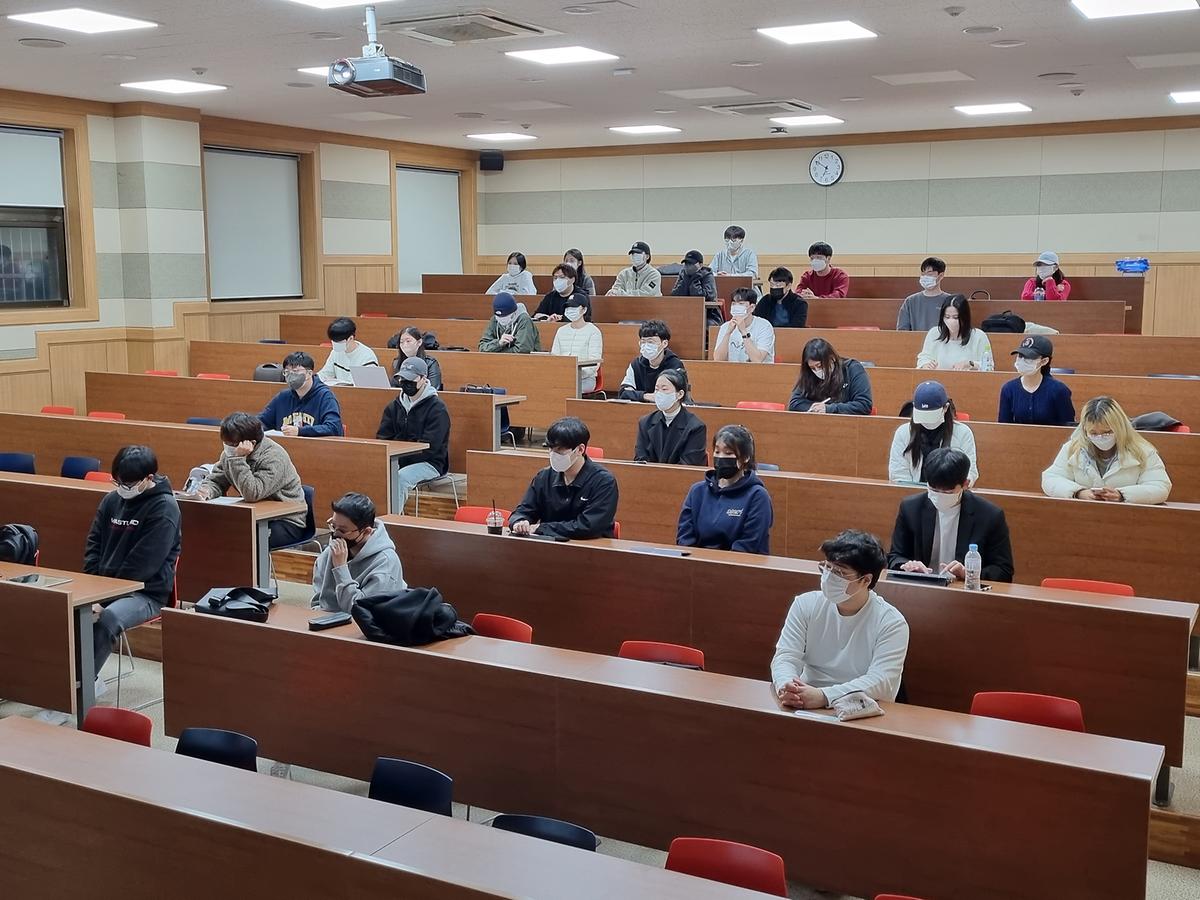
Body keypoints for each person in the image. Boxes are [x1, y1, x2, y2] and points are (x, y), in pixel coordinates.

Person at [771, 530, 909, 709]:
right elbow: (786, 656)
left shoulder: (892, 623)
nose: (829, 576)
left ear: (865, 580)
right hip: (805, 697)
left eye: (840, 572)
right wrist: (786, 686)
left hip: (860, 708)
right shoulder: (805, 604)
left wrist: (824, 696)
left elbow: (881, 681)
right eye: (827, 567)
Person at [84, 445, 181, 692]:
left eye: (129, 484)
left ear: (148, 478)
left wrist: (104, 601)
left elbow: (143, 565)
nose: (123, 488)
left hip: (146, 593)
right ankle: (67, 682)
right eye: (118, 482)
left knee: (107, 618)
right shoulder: (111, 500)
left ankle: (83, 687)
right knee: (62, 609)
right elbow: (93, 545)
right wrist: (91, 591)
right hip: (105, 588)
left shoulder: (165, 508)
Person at [887, 447, 1014, 583]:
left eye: (947, 492)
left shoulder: (990, 515)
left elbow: (1004, 570)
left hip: (963, 589)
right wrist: (908, 566)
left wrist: (969, 573)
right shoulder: (910, 508)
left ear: (965, 484)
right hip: (921, 586)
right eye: (933, 490)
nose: (939, 496)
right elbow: (895, 556)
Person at [197, 412, 308, 547]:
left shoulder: (274, 457)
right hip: (254, 517)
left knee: (241, 542)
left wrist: (238, 460)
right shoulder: (231, 453)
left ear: (251, 443)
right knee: (212, 531)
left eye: (232, 444)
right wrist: (206, 491)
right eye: (225, 443)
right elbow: (217, 481)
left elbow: (252, 493)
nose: (227, 447)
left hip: (286, 521)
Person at [1042, 396, 1172, 505]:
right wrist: (1079, 492)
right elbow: (1051, 479)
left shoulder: (1143, 451)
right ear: (1085, 430)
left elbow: (1160, 487)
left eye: (1107, 432)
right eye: (1093, 433)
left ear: (1120, 427)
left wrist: (1122, 495)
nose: (1100, 437)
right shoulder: (1072, 448)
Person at [509, 416, 618, 539]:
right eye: (550, 448)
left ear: (580, 449)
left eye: (560, 450)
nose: (553, 454)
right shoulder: (544, 477)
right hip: (550, 545)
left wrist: (542, 528)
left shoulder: (604, 481)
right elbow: (523, 510)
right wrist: (519, 521)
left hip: (589, 546)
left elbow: (588, 526)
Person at [676, 424, 773, 554]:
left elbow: (749, 544)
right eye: (717, 452)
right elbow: (685, 537)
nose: (721, 457)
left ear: (745, 457)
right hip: (697, 562)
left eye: (728, 453)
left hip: (738, 564)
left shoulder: (758, 496)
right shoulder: (697, 491)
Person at [376, 357, 452, 510]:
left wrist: (400, 460)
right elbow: (383, 438)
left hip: (430, 463)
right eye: (402, 379)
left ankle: (393, 520)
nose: (406, 383)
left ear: (424, 378)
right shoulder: (394, 406)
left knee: (400, 478)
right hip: (396, 460)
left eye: (411, 379)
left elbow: (431, 448)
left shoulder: (437, 409)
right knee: (374, 474)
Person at [311, 492, 405, 613]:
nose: (335, 534)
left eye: (343, 530)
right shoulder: (330, 552)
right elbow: (319, 601)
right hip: (330, 619)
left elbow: (361, 611)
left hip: (371, 620)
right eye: (333, 526)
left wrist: (340, 568)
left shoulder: (385, 562)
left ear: (366, 532)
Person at [889, 381, 979, 486]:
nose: (927, 421)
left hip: (950, 492)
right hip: (912, 492)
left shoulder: (963, 433)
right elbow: (897, 474)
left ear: (945, 408)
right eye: (923, 415)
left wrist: (948, 490)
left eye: (931, 415)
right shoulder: (903, 433)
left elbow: (969, 472)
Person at [260, 351, 344, 437]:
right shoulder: (283, 397)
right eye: (287, 372)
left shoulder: (325, 397)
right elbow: (262, 421)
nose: (290, 376)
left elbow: (334, 428)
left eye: (295, 371)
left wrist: (300, 431)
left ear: (309, 373)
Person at [633, 368, 707, 466]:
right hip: (649, 475)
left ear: (680, 394)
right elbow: (640, 459)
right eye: (656, 389)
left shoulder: (695, 427)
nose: (659, 394)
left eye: (664, 389)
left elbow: (690, 464)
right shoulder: (645, 423)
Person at [997, 335, 1075, 426]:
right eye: (1020, 356)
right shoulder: (1008, 389)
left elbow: (1068, 427)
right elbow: (1003, 427)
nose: (1022, 360)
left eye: (1029, 357)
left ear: (1044, 361)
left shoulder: (1059, 390)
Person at [787, 338, 873, 415]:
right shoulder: (809, 373)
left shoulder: (852, 369)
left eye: (820, 366)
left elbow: (864, 405)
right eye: (812, 368)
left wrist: (829, 409)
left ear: (832, 358)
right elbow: (794, 403)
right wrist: (816, 408)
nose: (817, 371)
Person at [916, 294, 994, 371]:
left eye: (956, 317)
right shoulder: (934, 333)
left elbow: (989, 367)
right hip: (938, 378)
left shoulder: (979, 336)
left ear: (965, 317)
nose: (951, 321)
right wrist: (926, 365)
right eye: (947, 317)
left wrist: (970, 364)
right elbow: (923, 358)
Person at [618, 319, 686, 402]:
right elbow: (623, 393)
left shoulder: (675, 365)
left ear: (664, 343)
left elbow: (672, 396)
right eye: (643, 342)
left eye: (651, 342)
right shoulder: (636, 364)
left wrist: (635, 394)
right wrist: (646, 396)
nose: (646, 346)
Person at [550, 295, 603, 393]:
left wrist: (577, 373)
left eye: (574, 307)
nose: (570, 310)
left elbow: (595, 362)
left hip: (585, 379)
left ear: (584, 310)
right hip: (562, 377)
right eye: (568, 307)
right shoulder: (561, 330)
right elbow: (554, 356)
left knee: (567, 390)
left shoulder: (594, 331)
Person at [713, 287, 775, 363]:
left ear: (752, 307)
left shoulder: (764, 326)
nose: (736, 307)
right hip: (732, 369)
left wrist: (743, 331)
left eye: (741, 304)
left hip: (758, 370)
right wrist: (728, 333)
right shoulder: (725, 327)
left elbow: (757, 360)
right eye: (733, 304)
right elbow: (718, 360)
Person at [317, 317, 378, 386]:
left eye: (339, 341)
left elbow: (369, 385)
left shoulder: (367, 357)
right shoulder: (335, 352)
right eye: (333, 341)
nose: (335, 344)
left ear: (351, 338)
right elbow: (325, 374)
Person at [896, 257, 952, 331]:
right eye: (923, 274)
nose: (925, 277)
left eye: (929, 273)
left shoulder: (950, 301)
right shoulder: (910, 301)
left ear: (941, 275)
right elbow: (902, 330)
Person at [392, 326, 442, 390]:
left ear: (419, 342)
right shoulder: (396, 362)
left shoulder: (430, 363)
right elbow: (393, 386)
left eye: (408, 341)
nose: (404, 345)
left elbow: (433, 388)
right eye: (401, 342)